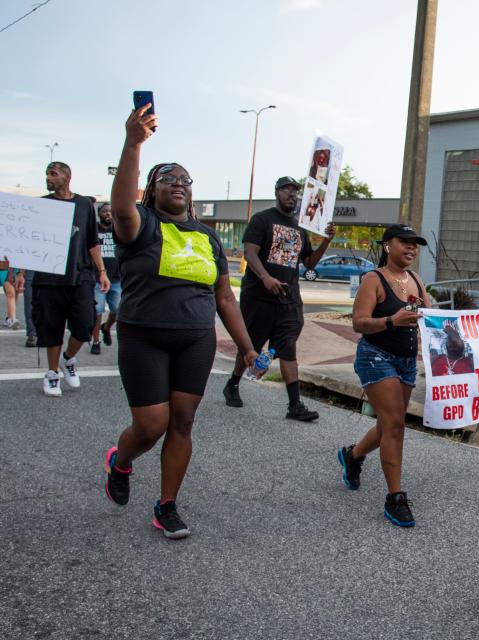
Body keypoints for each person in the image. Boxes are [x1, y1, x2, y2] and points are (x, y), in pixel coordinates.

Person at [103, 104, 259, 540]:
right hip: (144, 337)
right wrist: (134, 142)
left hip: (195, 340)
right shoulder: (140, 224)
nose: (179, 185)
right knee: (151, 425)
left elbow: (224, 296)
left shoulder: (208, 236)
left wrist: (247, 347)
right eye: (168, 178)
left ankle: (167, 504)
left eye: (185, 181)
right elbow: (120, 206)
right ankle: (121, 460)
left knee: (183, 422)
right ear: (151, 191)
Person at [337, 224, 431, 528]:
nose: (411, 248)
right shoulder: (373, 279)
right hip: (376, 357)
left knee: (389, 424)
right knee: (395, 426)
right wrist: (392, 320)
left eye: (415, 244)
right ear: (387, 245)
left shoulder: (416, 280)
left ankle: (353, 455)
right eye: (404, 242)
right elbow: (359, 323)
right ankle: (395, 498)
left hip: (405, 361)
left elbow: (432, 317)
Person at [222, 176, 336, 421]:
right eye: (286, 189)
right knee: (250, 345)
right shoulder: (262, 220)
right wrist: (265, 277)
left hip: (288, 297)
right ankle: (232, 384)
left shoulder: (299, 228)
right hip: (258, 296)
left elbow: (309, 263)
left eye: (295, 191)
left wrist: (327, 241)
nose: (291, 194)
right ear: (277, 192)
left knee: (288, 346)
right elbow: (250, 254)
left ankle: (294, 405)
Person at [32, 162, 111, 397]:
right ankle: (52, 373)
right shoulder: (42, 204)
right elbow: (30, 242)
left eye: (53, 174)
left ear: (67, 177)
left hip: (81, 276)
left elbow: (92, 242)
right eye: (46, 174)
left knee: (86, 323)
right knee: (51, 327)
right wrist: (20, 273)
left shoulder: (84, 204)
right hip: (49, 278)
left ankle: (68, 359)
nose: (48, 178)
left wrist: (102, 271)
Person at [90, 203, 122, 355]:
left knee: (117, 309)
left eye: (110, 211)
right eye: (104, 211)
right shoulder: (94, 229)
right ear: (99, 214)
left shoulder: (118, 230)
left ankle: (107, 328)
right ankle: (96, 341)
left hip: (116, 279)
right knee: (97, 310)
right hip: (97, 278)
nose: (108, 214)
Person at [1, 260, 21, 329]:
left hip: (11, 265)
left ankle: (12, 318)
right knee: (10, 292)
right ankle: (11, 318)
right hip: (3, 264)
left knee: (12, 292)